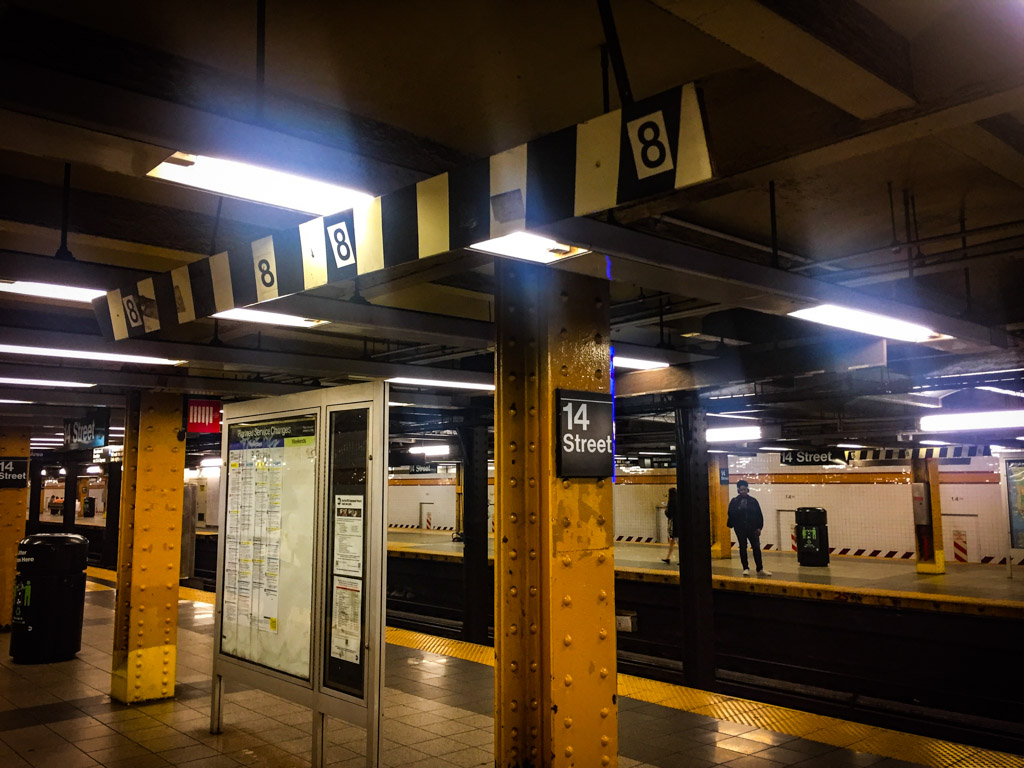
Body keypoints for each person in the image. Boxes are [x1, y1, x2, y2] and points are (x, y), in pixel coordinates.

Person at [727, 479, 771, 576]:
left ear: (747, 489)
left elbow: (759, 515)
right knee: (743, 547)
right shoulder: (734, 501)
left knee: (756, 548)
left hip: (753, 528)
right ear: (738, 490)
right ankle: (745, 568)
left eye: (745, 489)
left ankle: (760, 568)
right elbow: (730, 513)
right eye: (741, 490)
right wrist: (739, 509)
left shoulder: (753, 501)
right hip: (740, 529)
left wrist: (759, 527)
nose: (743, 491)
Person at [662, 487, 679, 564]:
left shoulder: (671, 501)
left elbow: (669, 514)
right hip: (679, 522)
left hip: (674, 524)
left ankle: (669, 558)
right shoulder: (679, 500)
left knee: (675, 540)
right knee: (673, 541)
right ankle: (667, 558)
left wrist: (665, 510)